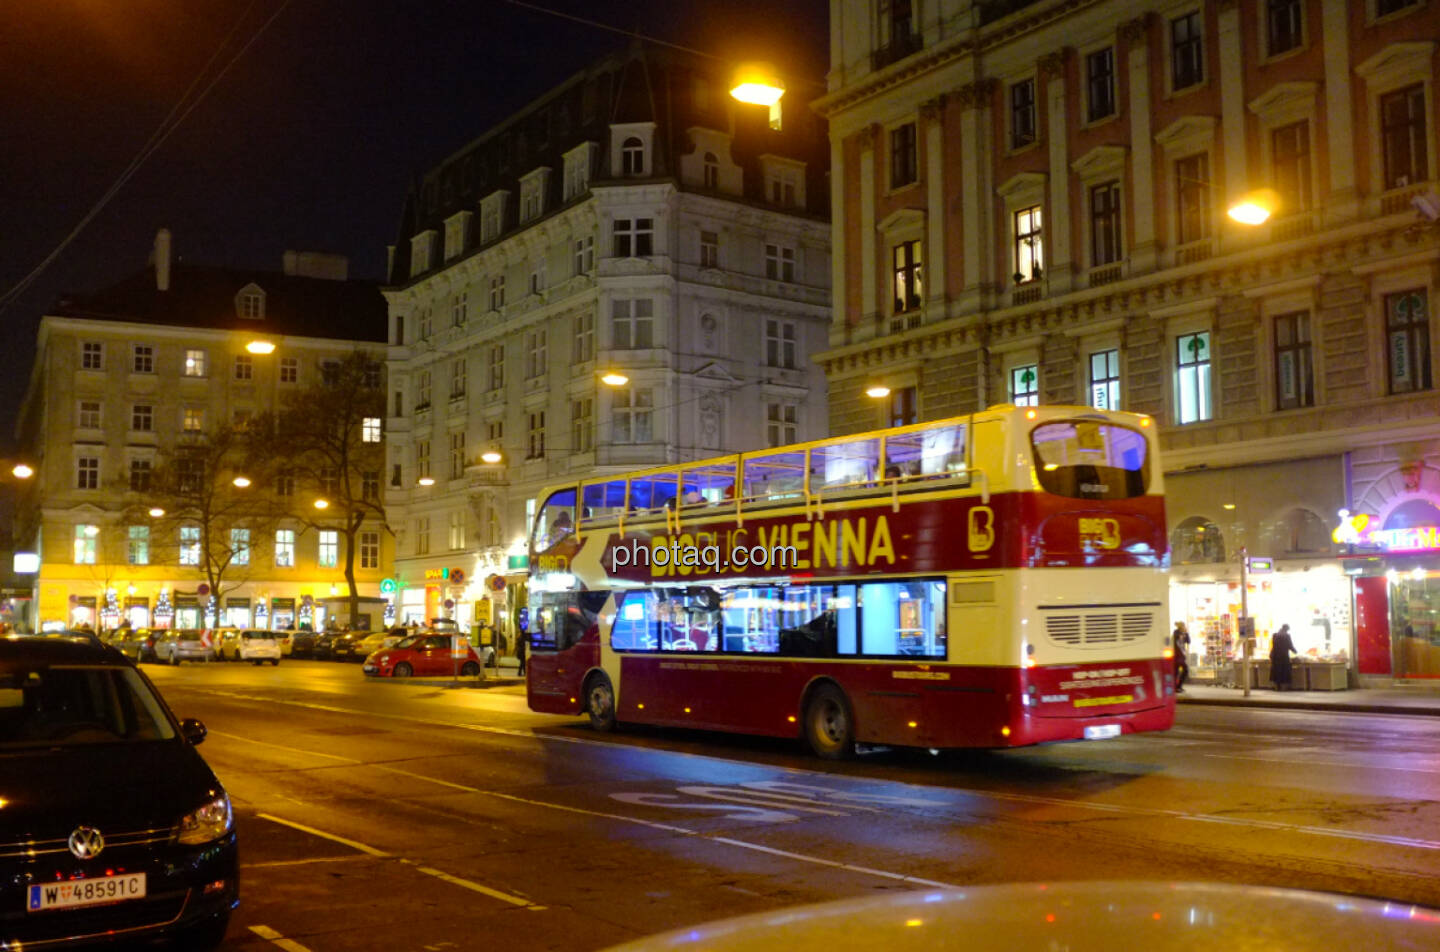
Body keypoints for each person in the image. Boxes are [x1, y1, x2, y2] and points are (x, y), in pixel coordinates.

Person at [1270, 624, 1298, 690]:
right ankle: (1283, 687)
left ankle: (1276, 687)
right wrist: (1295, 651)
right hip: (1283, 656)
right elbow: (1290, 645)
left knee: (1276, 672)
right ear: (1286, 629)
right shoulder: (1286, 636)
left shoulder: (1275, 635)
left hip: (1275, 656)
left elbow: (1273, 646)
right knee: (1284, 672)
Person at [1172, 621, 1191, 693]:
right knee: (1181, 671)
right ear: (1181, 626)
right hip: (1177, 656)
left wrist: (1186, 633)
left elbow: (1188, 642)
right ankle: (1177, 687)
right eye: (1183, 626)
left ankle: (1178, 687)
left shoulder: (1184, 633)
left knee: (1178, 672)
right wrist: (1182, 633)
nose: (1184, 627)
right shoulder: (1176, 632)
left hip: (1182, 656)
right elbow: (1176, 637)